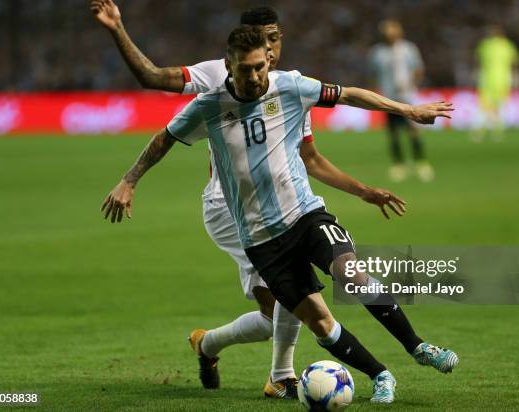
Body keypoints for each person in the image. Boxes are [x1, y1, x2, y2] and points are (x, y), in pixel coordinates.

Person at [101, 25, 457, 403]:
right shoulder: (208, 105)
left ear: (267, 61)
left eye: (259, 67)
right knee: (317, 320)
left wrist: (407, 109)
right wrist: (129, 180)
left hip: (305, 215)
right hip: (261, 239)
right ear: (228, 66)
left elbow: (349, 95)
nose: (254, 76)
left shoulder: (290, 86)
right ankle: (380, 376)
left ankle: (419, 347)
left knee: (350, 274)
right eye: (245, 69)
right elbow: (164, 139)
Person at [368, 20, 434, 182]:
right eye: (386, 31)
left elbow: (418, 69)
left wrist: (411, 84)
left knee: (413, 129)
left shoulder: (408, 49)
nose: (389, 34)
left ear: (398, 32)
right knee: (393, 132)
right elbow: (372, 73)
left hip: (407, 96)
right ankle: (399, 164)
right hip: (388, 97)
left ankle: (421, 162)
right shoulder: (377, 52)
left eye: (392, 31)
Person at [474, 24, 519, 141]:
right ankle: (497, 132)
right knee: (500, 106)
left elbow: (477, 60)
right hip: (503, 79)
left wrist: (476, 74)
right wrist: (516, 78)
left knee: (485, 106)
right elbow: (514, 64)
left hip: (487, 79)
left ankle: (479, 131)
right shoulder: (508, 45)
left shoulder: (485, 45)